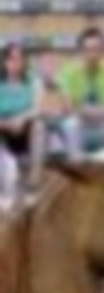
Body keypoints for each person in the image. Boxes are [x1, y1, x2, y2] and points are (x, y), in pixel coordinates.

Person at [56, 26, 104, 155]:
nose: (92, 54)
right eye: (88, 50)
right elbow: (67, 108)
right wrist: (88, 111)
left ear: (103, 51)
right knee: (70, 124)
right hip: (81, 125)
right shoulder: (68, 73)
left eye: (97, 49)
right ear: (81, 51)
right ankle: (77, 164)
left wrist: (89, 111)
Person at [0, 42, 45, 189]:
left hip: (25, 130)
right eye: (11, 59)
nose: (15, 63)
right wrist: (6, 123)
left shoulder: (33, 81)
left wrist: (21, 119)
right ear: (4, 61)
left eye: (20, 59)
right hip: (3, 130)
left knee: (39, 125)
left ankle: (34, 178)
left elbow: (38, 108)